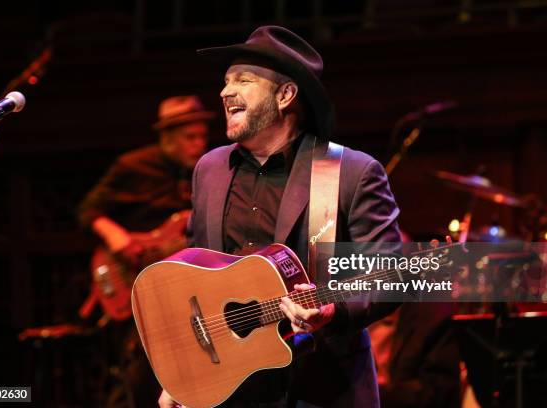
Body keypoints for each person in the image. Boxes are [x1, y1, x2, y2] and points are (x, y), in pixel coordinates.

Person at [159, 26, 402, 408]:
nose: (225, 91)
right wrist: (183, 373)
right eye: (225, 81)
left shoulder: (351, 172)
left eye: (243, 80)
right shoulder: (209, 170)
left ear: (286, 95)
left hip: (320, 388)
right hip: (230, 388)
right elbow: (195, 280)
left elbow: (389, 276)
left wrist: (331, 310)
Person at [78, 95, 214, 407]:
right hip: (134, 275)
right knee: (141, 371)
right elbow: (88, 210)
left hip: (183, 284)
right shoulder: (134, 166)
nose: (199, 143)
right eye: (189, 137)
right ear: (167, 138)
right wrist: (116, 238)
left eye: (203, 136)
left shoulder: (207, 170)